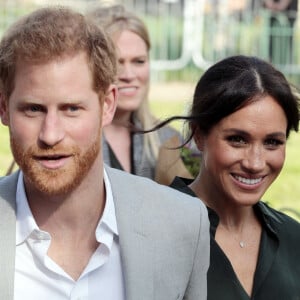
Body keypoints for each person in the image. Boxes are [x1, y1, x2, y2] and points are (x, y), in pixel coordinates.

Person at [0, 6, 210, 299]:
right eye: (33, 109)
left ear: (107, 105)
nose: (50, 134)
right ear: (3, 107)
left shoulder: (182, 225)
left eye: (72, 109)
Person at [149, 55, 300, 299]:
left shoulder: (293, 239)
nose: (255, 163)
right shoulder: (151, 233)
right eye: (237, 140)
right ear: (199, 135)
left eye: (272, 142)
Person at [87, 5, 192, 183]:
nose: (129, 75)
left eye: (139, 61)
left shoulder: (170, 140)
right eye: (116, 62)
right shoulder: (73, 143)